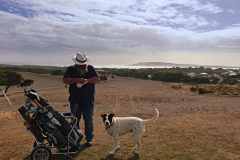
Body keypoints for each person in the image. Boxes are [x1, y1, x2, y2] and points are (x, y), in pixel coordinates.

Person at [63, 52, 98, 146]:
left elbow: (96, 79)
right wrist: (77, 80)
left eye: (83, 64)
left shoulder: (90, 68)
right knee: (75, 121)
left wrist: (87, 81)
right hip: (75, 100)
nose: (82, 66)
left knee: (88, 120)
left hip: (88, 100)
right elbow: (65, 80)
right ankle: (75, 138)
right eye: (80, 65)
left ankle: (89, 139)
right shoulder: (70, 69)